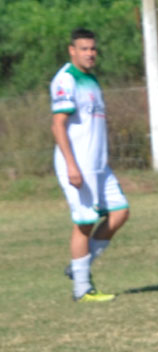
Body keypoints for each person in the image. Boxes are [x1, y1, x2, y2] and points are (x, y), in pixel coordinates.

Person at [51, 28, 129, 303]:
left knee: (120, 212)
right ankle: (82, 289)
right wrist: (71, 165)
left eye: (93, 48)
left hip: (98, 165)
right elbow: (58, 125)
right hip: (78, 165)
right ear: (72, 50)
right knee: (84, 223)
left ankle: (78, 267)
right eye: (84, 48)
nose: (90, 53)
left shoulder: (91, 79)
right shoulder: (66, 79)